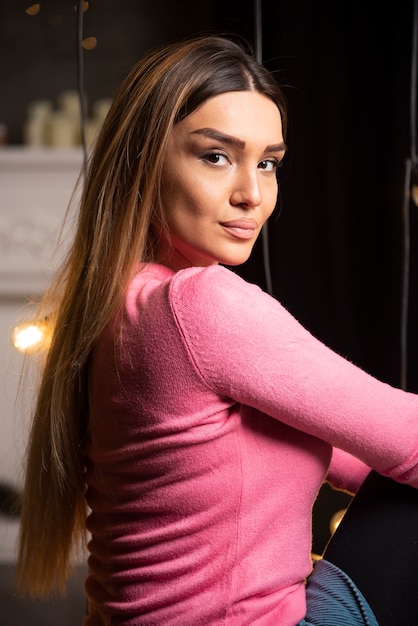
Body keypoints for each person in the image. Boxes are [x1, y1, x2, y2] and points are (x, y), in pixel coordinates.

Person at [16, 34, 418, 626]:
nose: (251, 195)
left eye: (268, 163)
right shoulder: (200, 306)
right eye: (216, 156)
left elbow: (348, 452)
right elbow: (409, 441)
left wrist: (383, 463)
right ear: (144, 160)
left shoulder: (114, 300)